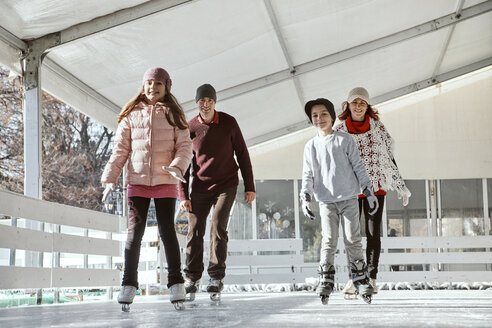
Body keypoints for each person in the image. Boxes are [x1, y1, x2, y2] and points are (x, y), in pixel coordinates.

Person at [101, 67, 192, 310]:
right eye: (149, 83)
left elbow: (185, 146)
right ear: (143, 86)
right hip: (137, 183)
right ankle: (129, 284)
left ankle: (176, 284)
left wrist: (177, 167)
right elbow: (120, 149)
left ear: (166, 87)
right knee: (134, 234)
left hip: (165, 181)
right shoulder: (131, 115)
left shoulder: (174, 115)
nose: (153, 88)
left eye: (158, 84)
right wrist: (110, 178)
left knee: (167, 232)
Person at [178, 83, 255, 300]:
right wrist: (183, 196)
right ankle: (192, 277)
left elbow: (242, 154)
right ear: (197, 103)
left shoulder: (229, 123)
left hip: (226, 184)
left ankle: (215, 276)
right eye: (201, 100)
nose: (205, 104)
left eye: (209, 100)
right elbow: (183, 164)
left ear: (215, 102)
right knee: (194, 229)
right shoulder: (190, 127)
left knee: (218, 226)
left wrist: (250, 186)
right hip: (200, 186)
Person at [334, 87, 411, 296]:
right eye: (354, 102)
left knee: (372, 233)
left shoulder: (377, 128)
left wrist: (400, 184)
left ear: (367, 106)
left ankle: (372, 277)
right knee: (352, 236)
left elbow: (389, 157)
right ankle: (354, 279)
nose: (358, 106)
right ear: (347, 106)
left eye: (362, 103)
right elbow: (333, 161)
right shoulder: (339, 130)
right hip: (350, 189)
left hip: (375, 187)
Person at [300, 98, 377, 304]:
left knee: (353, 238)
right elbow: (307, 174)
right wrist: (305, 197)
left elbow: (359, 166)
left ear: (332, 116)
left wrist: (368, 191)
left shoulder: (344, 140)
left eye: (324, 114)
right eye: (315, 115)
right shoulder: (311, 146)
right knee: (329, 240)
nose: (319, 118)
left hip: (349, 197)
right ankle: (326, 279)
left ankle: (360, 278)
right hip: (325, 200)